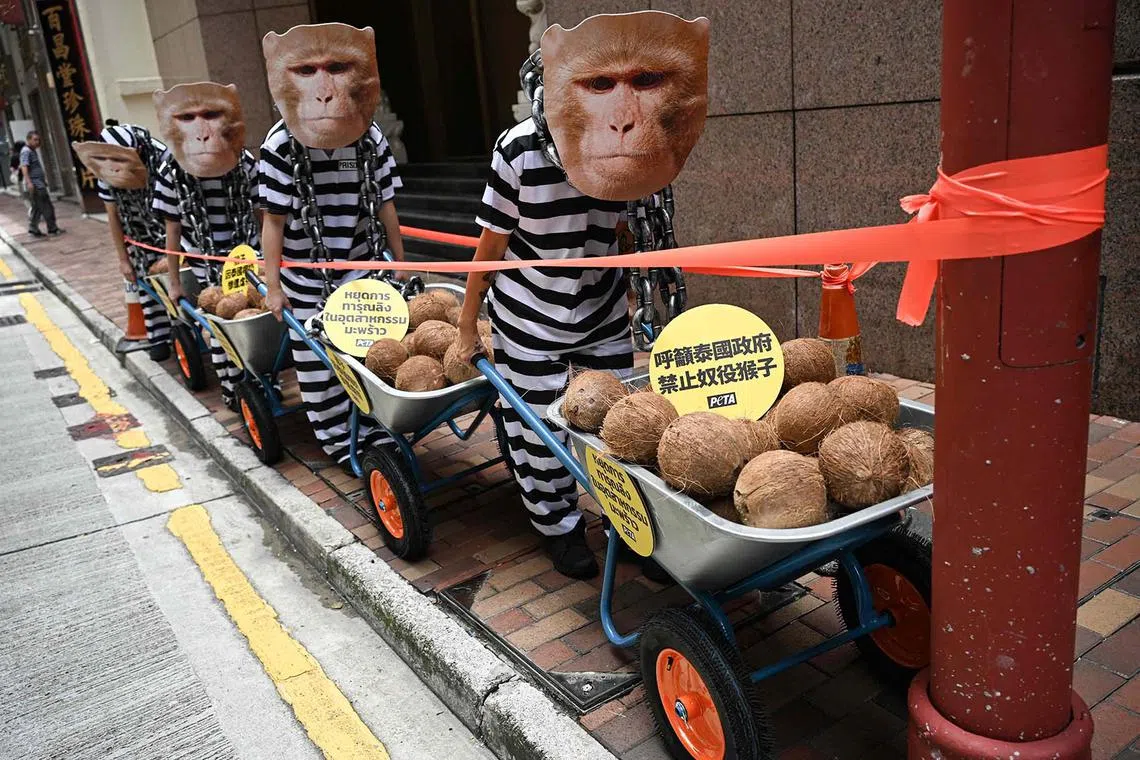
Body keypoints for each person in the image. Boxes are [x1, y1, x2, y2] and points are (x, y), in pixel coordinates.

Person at [259, 22, 409, 468]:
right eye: (308, 71)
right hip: (305, 276)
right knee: (318, 365)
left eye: (337, 69)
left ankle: (373, 429)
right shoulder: (279, 146)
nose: (325, 90)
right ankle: (336, 443)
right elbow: (273, 223)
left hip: (361, 266)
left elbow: (385, 204)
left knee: (370, 355)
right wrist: (273, 285)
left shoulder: (370, 138)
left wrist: (400, 263)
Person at [152, 82, 260, 410]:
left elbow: (263, 211)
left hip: (246, 253)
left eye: (210, 115)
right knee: (216, 320)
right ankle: (232, 389)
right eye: (189, 118)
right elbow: (172, 228)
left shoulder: (244, 161)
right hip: (204, 258)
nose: (202, 130)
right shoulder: (170, 169)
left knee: (254, 319)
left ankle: (258, 381)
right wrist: (173, 281)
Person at [76, 124, 173, 360]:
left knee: (178, 283)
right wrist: (123, 260)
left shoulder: (160, 156)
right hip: (138, 234)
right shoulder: (103, 169)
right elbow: (113, 215)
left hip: (169, 226)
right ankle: (158, 336)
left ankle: (186, 333)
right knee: (146, 284)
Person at [20, 131, 64, 237]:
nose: (37, 142)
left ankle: (33, 228)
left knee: (37, 207)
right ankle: (52, 229)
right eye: (35, 140)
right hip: (36, 185)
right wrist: (29, 182)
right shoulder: (26, 151)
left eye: (38, 140)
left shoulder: (31, 150)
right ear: (28, 140)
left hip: (38, 183)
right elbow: (24, 167)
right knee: (46, 206)